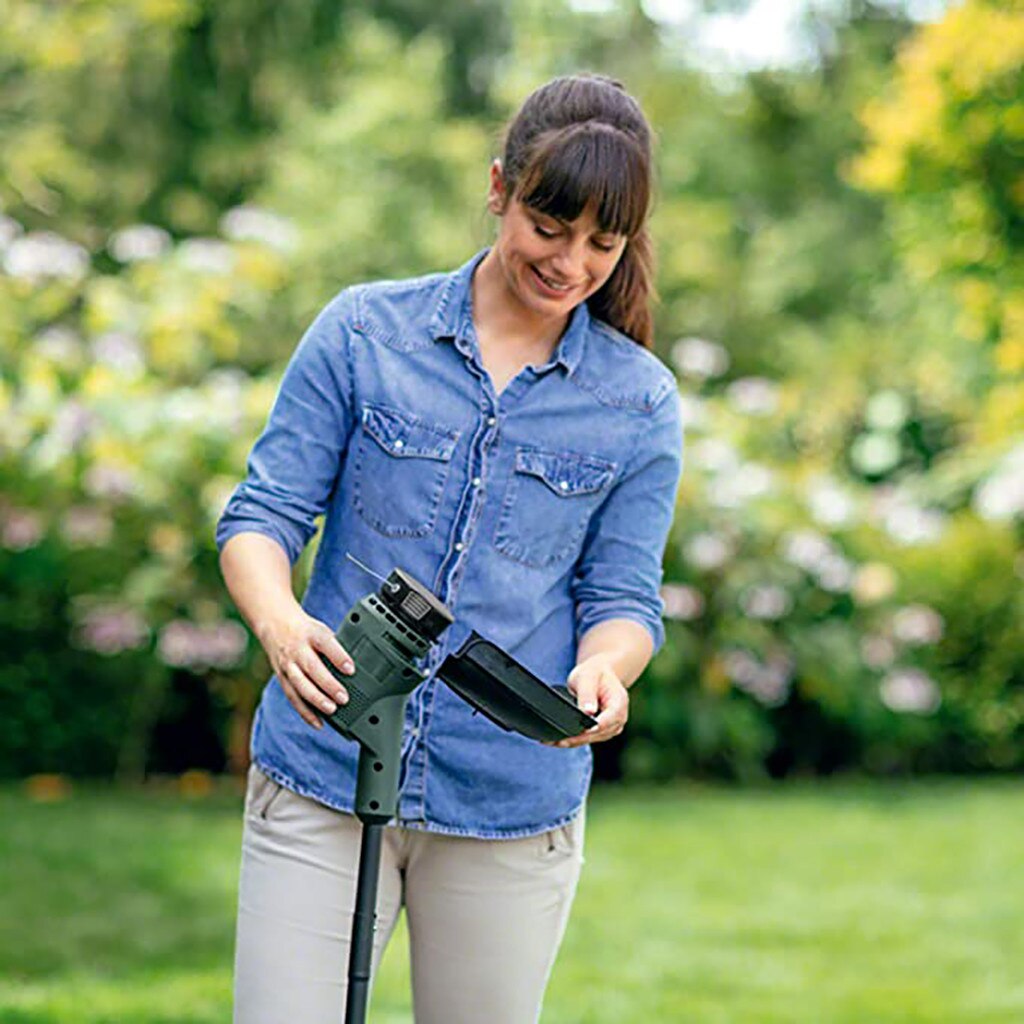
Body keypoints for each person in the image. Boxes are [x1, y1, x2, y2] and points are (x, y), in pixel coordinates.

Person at [216, 72, 684, 1024]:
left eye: (604, 242)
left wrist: (606, 671)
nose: (571, 263)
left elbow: (625, 597)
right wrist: (279, 621)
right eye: (550, 228)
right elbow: (262, 514)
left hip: (511, 802)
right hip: (323, 771)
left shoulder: (638, 402)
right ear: (500, 187)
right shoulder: (364, 333)